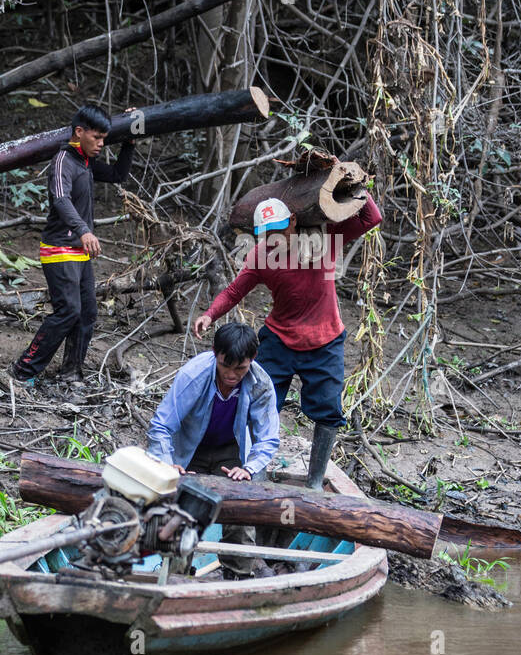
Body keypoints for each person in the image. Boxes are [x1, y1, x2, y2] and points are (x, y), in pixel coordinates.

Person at [193, 178, 382, 488]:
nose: (273, 239)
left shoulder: (323, 242)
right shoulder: (261, 256)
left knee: (328, 411)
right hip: (279, 339)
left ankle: (315, 482)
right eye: (266, 234)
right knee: (258, 403)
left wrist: (353, 182)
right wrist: (209, 314)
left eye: (279, 231)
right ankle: (256, 472)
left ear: (293, 221)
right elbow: (234, 292)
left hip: (325, 340)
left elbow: (371, 218)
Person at [10, 103, 135, 387]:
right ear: (79, 132)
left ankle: (71, 373)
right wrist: (83, 231)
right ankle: (23, 370)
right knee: (68, 311)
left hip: (80, 252)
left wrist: (129, 143)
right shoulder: (63, 160)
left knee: (87, 313)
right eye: (97, 138)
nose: (101, 144)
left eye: (104, 138)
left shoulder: (86, 162)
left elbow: (117, 175)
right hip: (58, 249)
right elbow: (60, 199)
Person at [147, 323, 280, 579]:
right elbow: (161, 425)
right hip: (190, 450)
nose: (231, 375)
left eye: (240, 369)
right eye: (225, 366)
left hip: (231, 451)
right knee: (180, 508)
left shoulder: (261, 384)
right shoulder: (194, 375)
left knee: (240, 505)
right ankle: (175, 575)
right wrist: (166, 463)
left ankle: (238, 575)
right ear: (214, 353)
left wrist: (248, 468)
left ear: (252, 359)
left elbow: (268, 438)